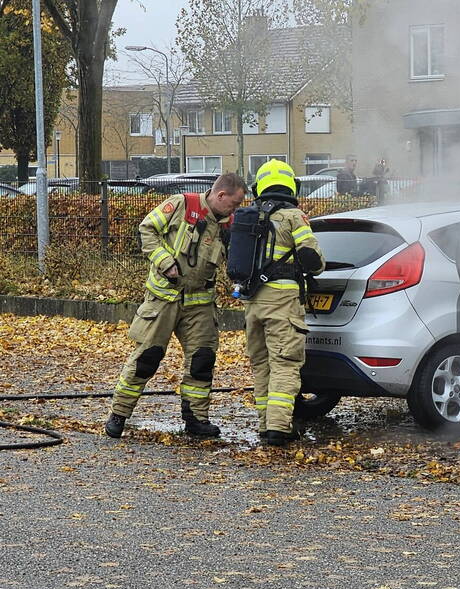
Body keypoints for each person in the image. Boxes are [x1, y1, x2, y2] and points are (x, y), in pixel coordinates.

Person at [104, 173, 247, 439]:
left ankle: (196, 420)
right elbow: (147, 228)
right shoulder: (182, 204)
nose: (235, 209)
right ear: (221, 195)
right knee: (147, 358)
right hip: (164, 299)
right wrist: (164, 261)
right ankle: (119, 414)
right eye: (234, 204)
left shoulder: (228, 224)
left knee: (202, 361)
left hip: (200, 304)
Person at [244, 159, 325, 446]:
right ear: (292, 185)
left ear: (259, 186)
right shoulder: (293, 216)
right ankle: (279, 427)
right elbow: (312, 260)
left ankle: (266, 423)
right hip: (282, 300)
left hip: (252, 302)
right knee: (285, 363)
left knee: (262, 363)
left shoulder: (248, 216)